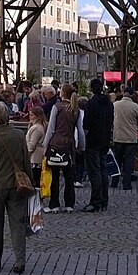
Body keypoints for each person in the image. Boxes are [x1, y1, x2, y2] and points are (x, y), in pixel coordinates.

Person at [0, 102, 33, 274]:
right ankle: (20, 260)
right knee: (18, 223)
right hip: (17, 185)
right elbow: (26, 161)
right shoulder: (19, 135)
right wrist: (31, 182)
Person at [43, 84, 84, 213]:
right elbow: (80, 129)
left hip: (56, 145)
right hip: (69, 145)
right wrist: (82, 145)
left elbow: (51, 129)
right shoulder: (75, 109)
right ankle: (69, 204)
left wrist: (45, 145)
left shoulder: (57, 107)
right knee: (69, 176)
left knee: (55, 176)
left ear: (62, 93)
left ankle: (54, 204)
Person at [82, 78, 113, 213]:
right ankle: (103, 200)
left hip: (93, 141)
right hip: (105, 139)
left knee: (95, 172)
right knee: (103, 171)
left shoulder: (92, 103)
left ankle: (95, 202)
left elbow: (86, 124)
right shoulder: (109, 104)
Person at [112, 87, 138, 190]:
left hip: (118, 136)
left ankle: (114, 181)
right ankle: (126, 183)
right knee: (129, 162)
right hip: (131, 138)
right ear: (131, 94)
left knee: (117, 160)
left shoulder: (115, 105)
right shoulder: (136, 107)